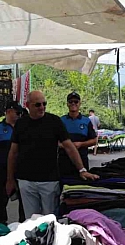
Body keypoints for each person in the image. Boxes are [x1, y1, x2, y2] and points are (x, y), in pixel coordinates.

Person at [6, 90, 98, 219]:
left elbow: (69, 147)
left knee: (50, 219)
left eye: (44, 104)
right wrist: (10, 179)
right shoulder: (21, 124)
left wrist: (82, 169)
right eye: (38, 105)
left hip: (49, 181)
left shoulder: (54, 121)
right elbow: (13, 152)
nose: (42, 107)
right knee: (30, 221)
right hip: (26, 180)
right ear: (28, 105)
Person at [58, 92, 97, 178]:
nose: (73, 103)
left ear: (79, 103)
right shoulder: (61, 121)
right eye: (70, 101)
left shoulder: (86, 121)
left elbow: (94, 140)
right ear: (67, 104)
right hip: (64, 160)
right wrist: (65, 146)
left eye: (76, 101)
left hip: (82, 160)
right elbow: (55, 141)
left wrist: (81, 144)